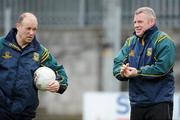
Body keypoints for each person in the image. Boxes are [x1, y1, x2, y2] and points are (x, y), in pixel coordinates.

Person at [0, 12, 68, 120]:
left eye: (34, 29)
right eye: (28, 28)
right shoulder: (1, 45)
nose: (31, 33)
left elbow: (59, 72)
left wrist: (58, 84)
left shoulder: (40, 51)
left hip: (25, 114)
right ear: (18, 26)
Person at [113, 7, 176, 120]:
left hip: (159, 102)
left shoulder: (163, 41)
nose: (136, 25)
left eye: (140, 22)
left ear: (151, 22)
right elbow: (117, 62)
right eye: (135, 22)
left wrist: (138, 72)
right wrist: (122, 72)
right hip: (137, 103)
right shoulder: (130, 42)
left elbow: (162, 68)